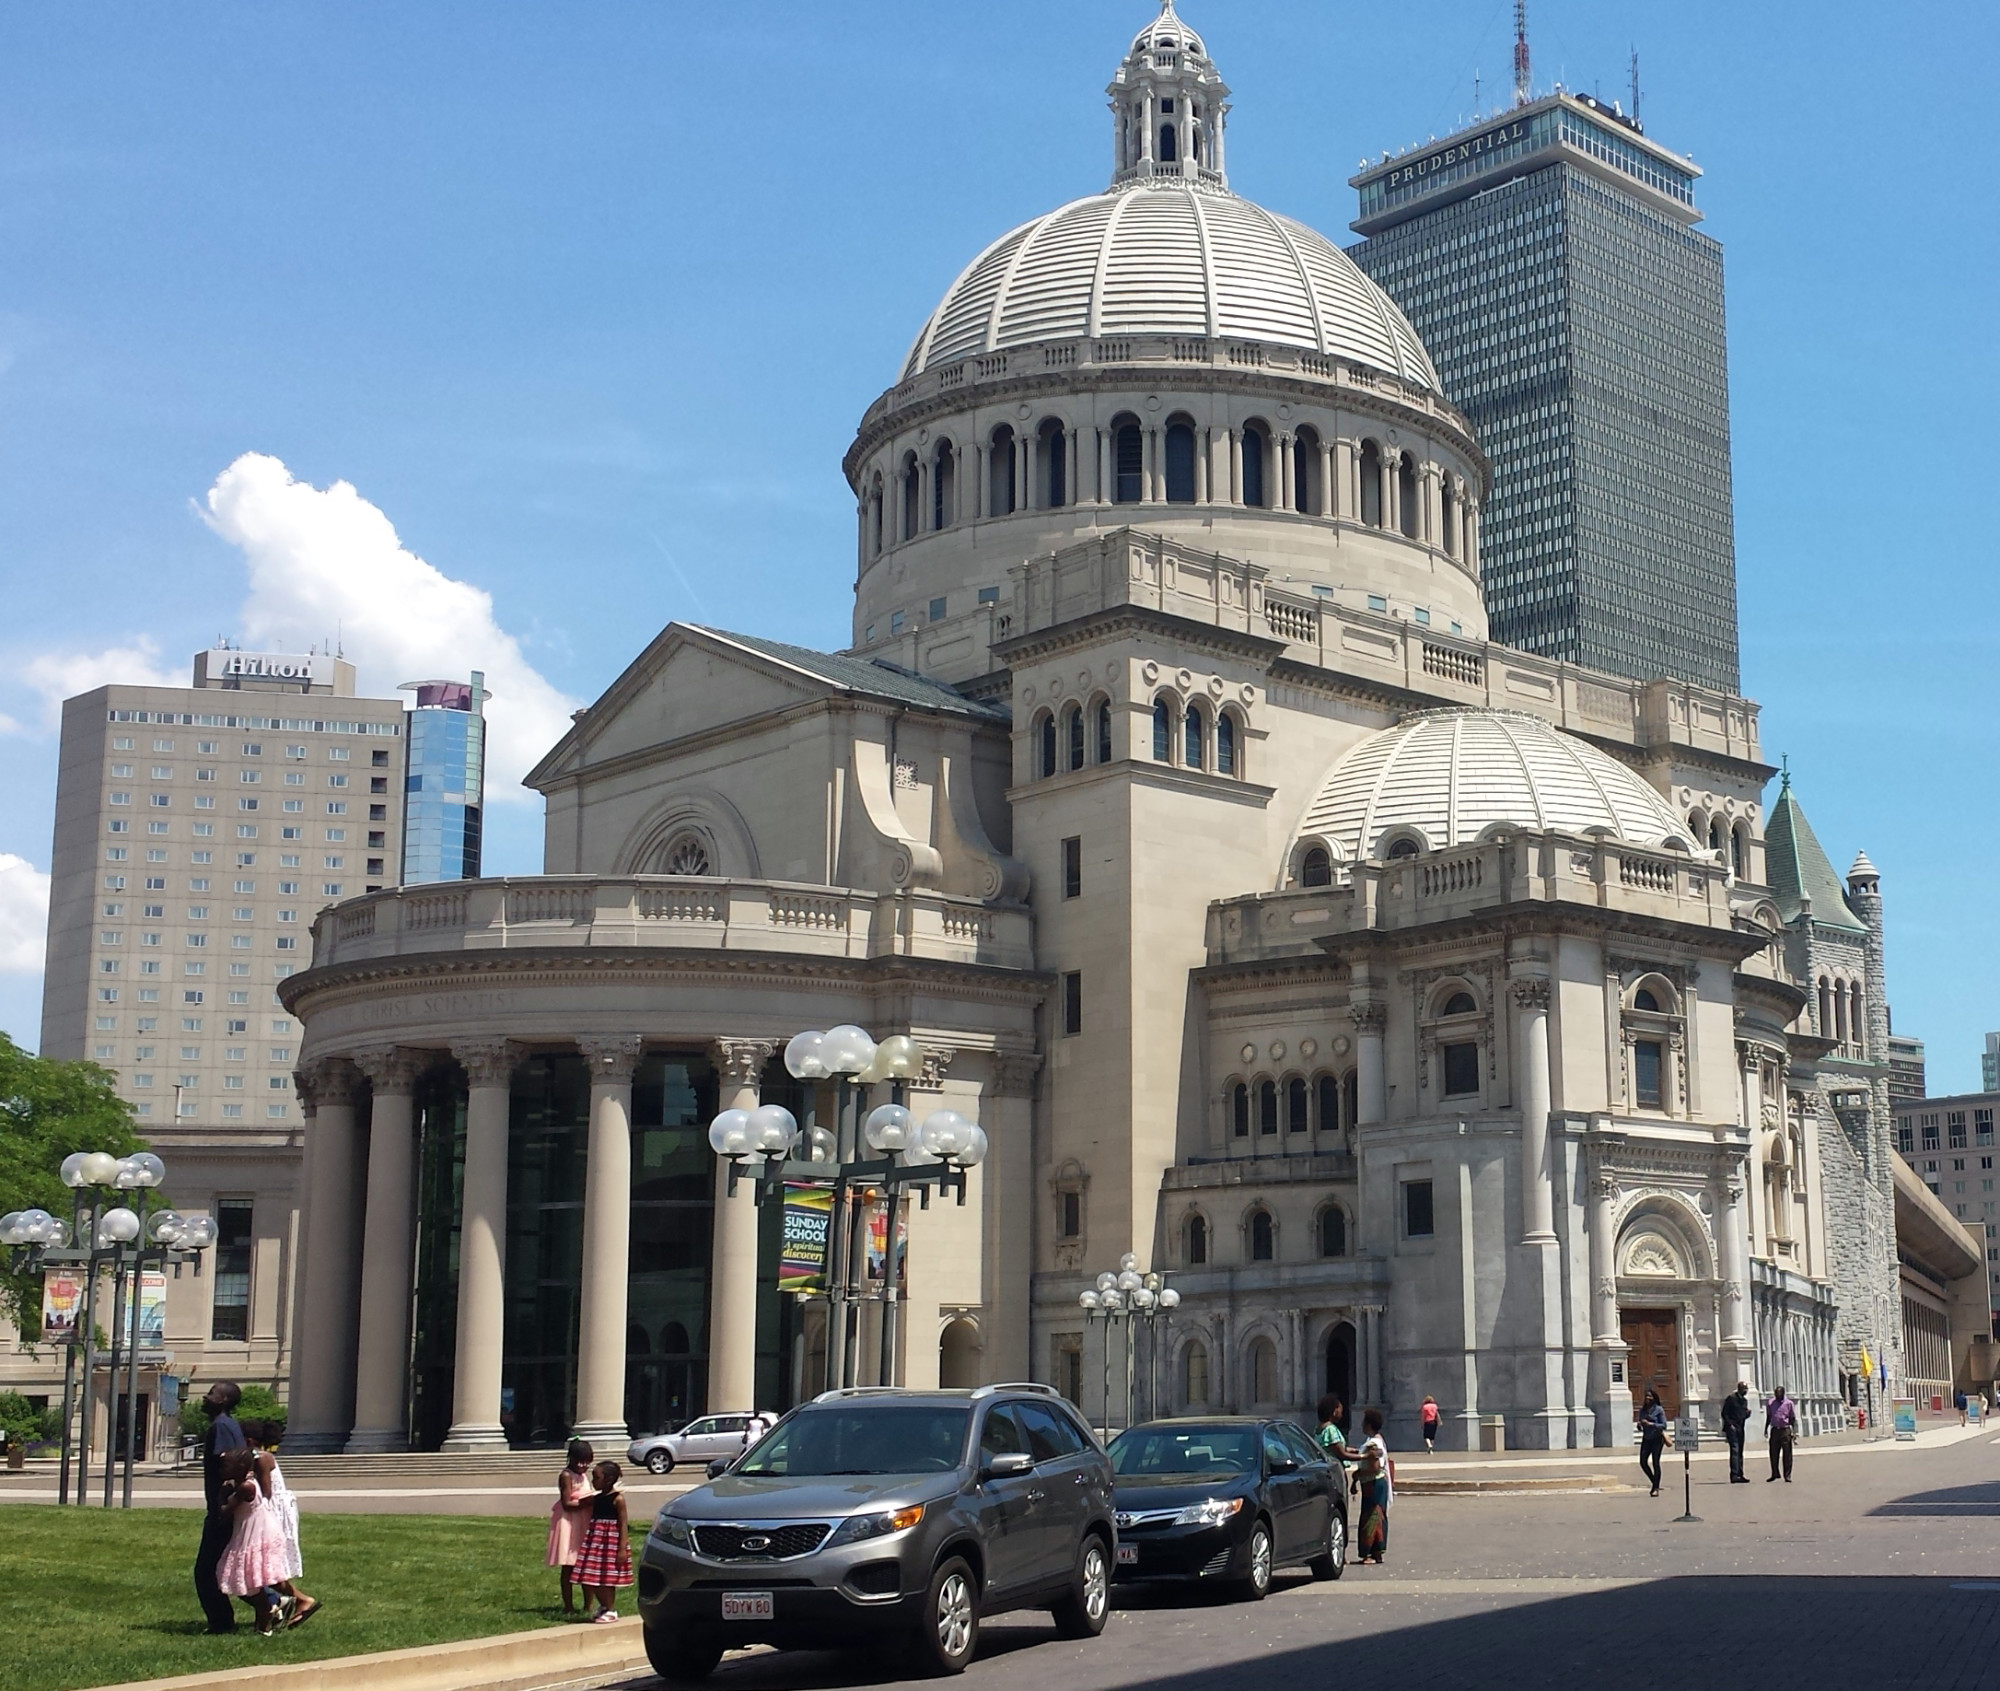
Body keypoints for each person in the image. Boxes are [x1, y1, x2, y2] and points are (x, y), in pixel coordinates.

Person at [244, 1420, 319, 1628]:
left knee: (266, 1567)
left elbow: (266, 1493)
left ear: (248, 1440)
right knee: (263, 1568)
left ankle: (299, 1600)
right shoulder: (255, 1458)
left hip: (271, 1514)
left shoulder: (262, 1459)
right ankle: (279, 1604)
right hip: (268, 1513)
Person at [213, 1447, 287, 1636]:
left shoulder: (246, 1487)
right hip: (247, 1531)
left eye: (226, 1466)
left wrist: (221, 1493)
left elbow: (225, 1512)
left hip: (257, 1534)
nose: (221, 1469)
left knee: (249, 1578)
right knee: (239, 1579)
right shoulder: (237, 1483)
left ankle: (266, 1616)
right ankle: (269, 1610)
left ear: (241, 1467)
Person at [194, 1381, 247, 1634]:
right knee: (227, 1566)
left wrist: (223, 1505)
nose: (205, 1397)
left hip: (221, 1511)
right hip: (222, 1509)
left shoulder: (222, 1426)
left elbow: (230, 1466)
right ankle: (274, 1601)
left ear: (224, 1400)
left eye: (212, 1394)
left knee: (206, 1571)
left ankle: (222, 1623)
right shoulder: (226, 1425)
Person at [574, 1460, 634, 1622]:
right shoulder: (597, 1498)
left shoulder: (618, 1499)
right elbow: (583, 1501)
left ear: (608, 1479)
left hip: (610, 1543)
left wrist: (622, 1548)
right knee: (592, 1576)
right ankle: (604, 1606)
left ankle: (610, 1608)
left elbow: (623, 1524)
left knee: (607, 1578)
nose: (593, 1481)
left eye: (596, 1477)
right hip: (595, 1541)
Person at [546, 1439, 596, 1617]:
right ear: (571, 1459)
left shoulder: (584, 1476)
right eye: (579, 1461)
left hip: (583, 1522)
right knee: (569, 1564)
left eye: (586, 1462)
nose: (583, 1466)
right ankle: (568, 1606)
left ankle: (588, 1605)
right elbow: (567, 1503)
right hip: (568, 1522)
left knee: (586, 1564)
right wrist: (588, 1502)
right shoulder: (566, 1476)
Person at [1351, 1409, 1391, 1565]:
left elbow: (1374, 1466)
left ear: (1368, 1424)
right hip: (1376, 1484)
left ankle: (1368, 1553)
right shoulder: (1377, 1440)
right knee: (1377, 1516)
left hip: (1372, 1484)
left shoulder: (1373, 1444)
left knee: (1371, 1517)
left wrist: (1357, 1474)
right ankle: (1377, 1552)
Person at [1636, 1389, 1668, 1496]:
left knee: (1655, 1463)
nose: (1647, 1398)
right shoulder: (1643, 1411)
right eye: (1646, 1396)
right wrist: (1640, 1425)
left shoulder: (1659, 1410)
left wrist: (1650, 1424)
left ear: (1654, 1398)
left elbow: (1663, 1425)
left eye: (1650, 1396)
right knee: (1643, 1462)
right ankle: (1655, 1481)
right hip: (1646, 1438)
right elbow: (1641, 1424)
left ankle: (1655, 1488)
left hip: (1657, 1439)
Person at [1765, 1384, 1797, 1482]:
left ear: (1783, 1393)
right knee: (1773, 1453)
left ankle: (1787, 1475)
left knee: (1787, 1454)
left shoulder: (1789, 1403)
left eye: (1779, 1393)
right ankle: (1774, 1473)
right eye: (1776, 1393)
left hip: (1785, 1430)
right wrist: (1765, 1429)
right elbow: (1769, 1416)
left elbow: (1792, 1418)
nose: (1777, 1395)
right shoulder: (1770, 1403)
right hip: (1774, 1429)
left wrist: (1794, 1432)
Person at [1720, 1382, 1751, 1483]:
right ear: (1739, 1389)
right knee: (1735, 1451)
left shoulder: (1744, 1401)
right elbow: (1724, 1413)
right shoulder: (1731, 1398)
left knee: (1740, 1452)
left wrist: (1747, 1414)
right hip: (1732, 1428)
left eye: (1747, 1389)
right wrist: (1730, 1425)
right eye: (1744, 1389)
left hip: (1741, 1428)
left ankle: (1740, 1474)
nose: (1746, 1391)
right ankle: (1734, 1474)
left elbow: (1742, 1415)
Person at [1314, 1394, 1350, 1471]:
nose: (1341, 1414)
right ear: (1334, 1412)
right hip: (1334, 1470)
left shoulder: (1318, 1429)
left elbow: (1333, 1448)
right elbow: (1341, 1454)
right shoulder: (1330, 1430)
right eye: (1340, 1411)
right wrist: (1364, 1456)